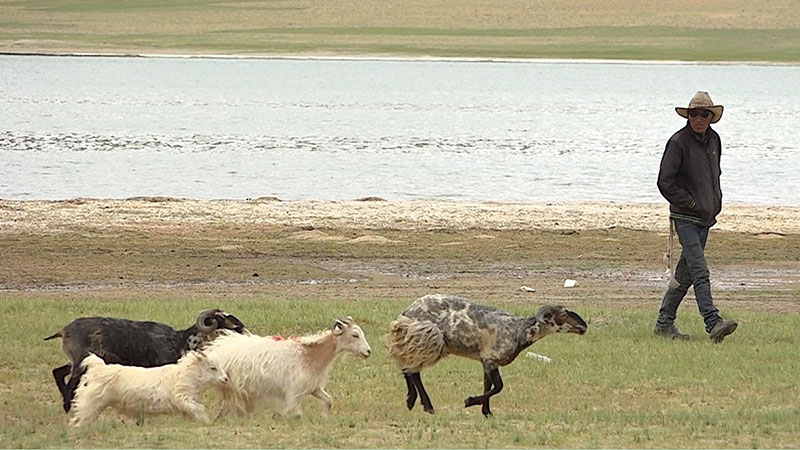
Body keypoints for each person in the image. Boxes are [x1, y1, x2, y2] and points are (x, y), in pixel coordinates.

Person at [653, 91, 738, 343]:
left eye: (704, 114)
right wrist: (690, 203)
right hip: (685, 218)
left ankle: (663, 324)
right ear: (688, 116)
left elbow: (715, 175)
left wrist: (714, 203)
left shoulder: (714, 140)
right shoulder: (678, 142)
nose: (698, 118)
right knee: (700, 271)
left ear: (711, 117)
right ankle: (713, 322)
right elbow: (664, 181)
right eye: (694, 114)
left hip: (705, 218)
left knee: (685, 274)